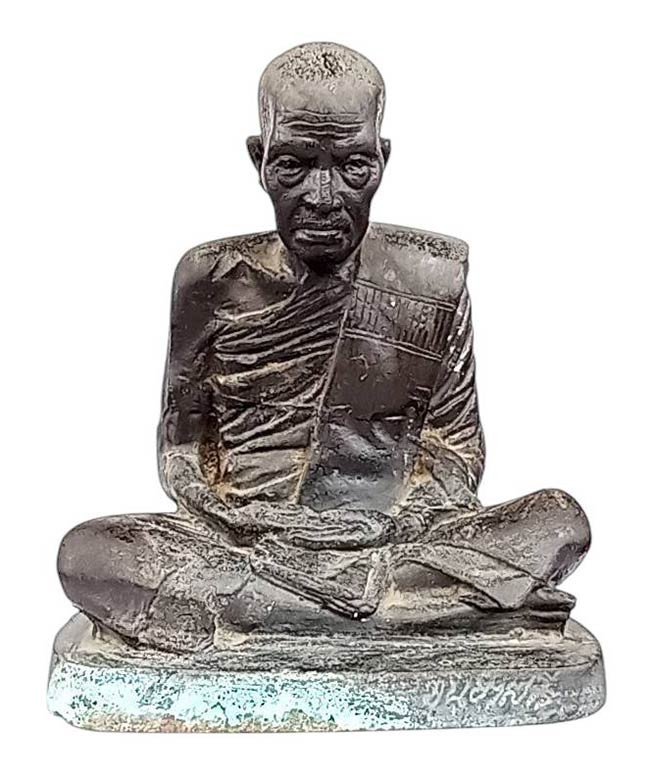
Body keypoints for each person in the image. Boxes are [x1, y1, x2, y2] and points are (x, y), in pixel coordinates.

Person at [58, 42, 590, 653]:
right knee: (89, 554)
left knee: (559, 521)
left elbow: (454, 449)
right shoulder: (209, 279)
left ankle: (272, 615)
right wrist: (235, 518)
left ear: (382, 161)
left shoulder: (428, 279)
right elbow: (181, 449)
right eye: (293, 165)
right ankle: (404, 616)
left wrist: (391, 523)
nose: (322, 196)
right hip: (247, 542)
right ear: (258, 159)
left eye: (352, 166)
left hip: (388, 539)